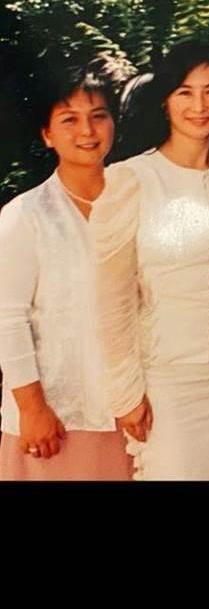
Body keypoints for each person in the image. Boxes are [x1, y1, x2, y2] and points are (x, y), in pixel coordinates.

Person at [91, 40, 209, 480]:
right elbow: (112, 299)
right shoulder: (131, 179)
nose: (199, 106)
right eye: (185, 92)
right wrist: (126, 393)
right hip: (167, 384)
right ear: (165, 100)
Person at [0, 59, 133, 481]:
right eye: (69, 119)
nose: (87, 131)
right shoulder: (24, 216)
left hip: (132, 415)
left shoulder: (135, 201)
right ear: (47, 133)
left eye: (98, 116)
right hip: (55, 422)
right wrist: (32, 409)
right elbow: (8, 318)